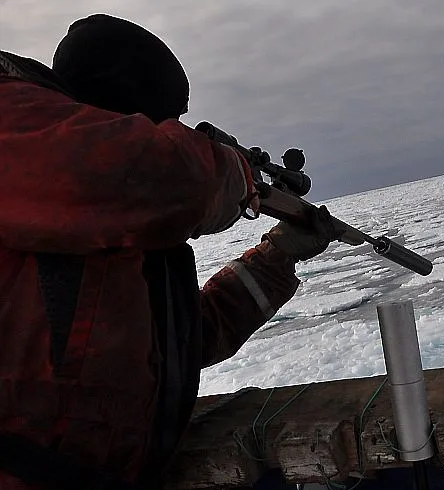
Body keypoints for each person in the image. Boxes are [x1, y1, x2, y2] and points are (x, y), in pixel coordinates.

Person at [0, 13, 340, 490]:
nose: (172, 130)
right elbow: (171, 178)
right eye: (167, 119)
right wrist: (238, 173)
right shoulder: (17, 123)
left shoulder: (112, 225)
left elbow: (179, 346)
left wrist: (277, 257)